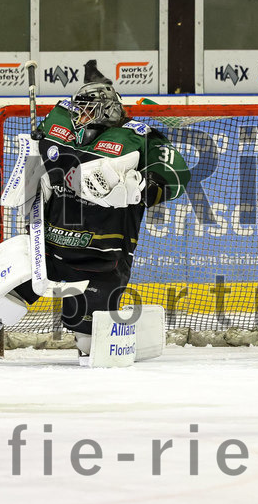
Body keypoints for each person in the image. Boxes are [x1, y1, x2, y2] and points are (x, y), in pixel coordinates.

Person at [11, 76, 191, 356]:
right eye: (78, 109)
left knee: (89, 342)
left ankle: (135, 335)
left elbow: (178, 177)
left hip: (99, 258)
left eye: (87, 109)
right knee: (0, 301)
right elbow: (37, 153)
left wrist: (140, 188)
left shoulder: (139, 137)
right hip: (47, 249)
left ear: (107, 109)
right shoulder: (61, 124)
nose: (79, 115)